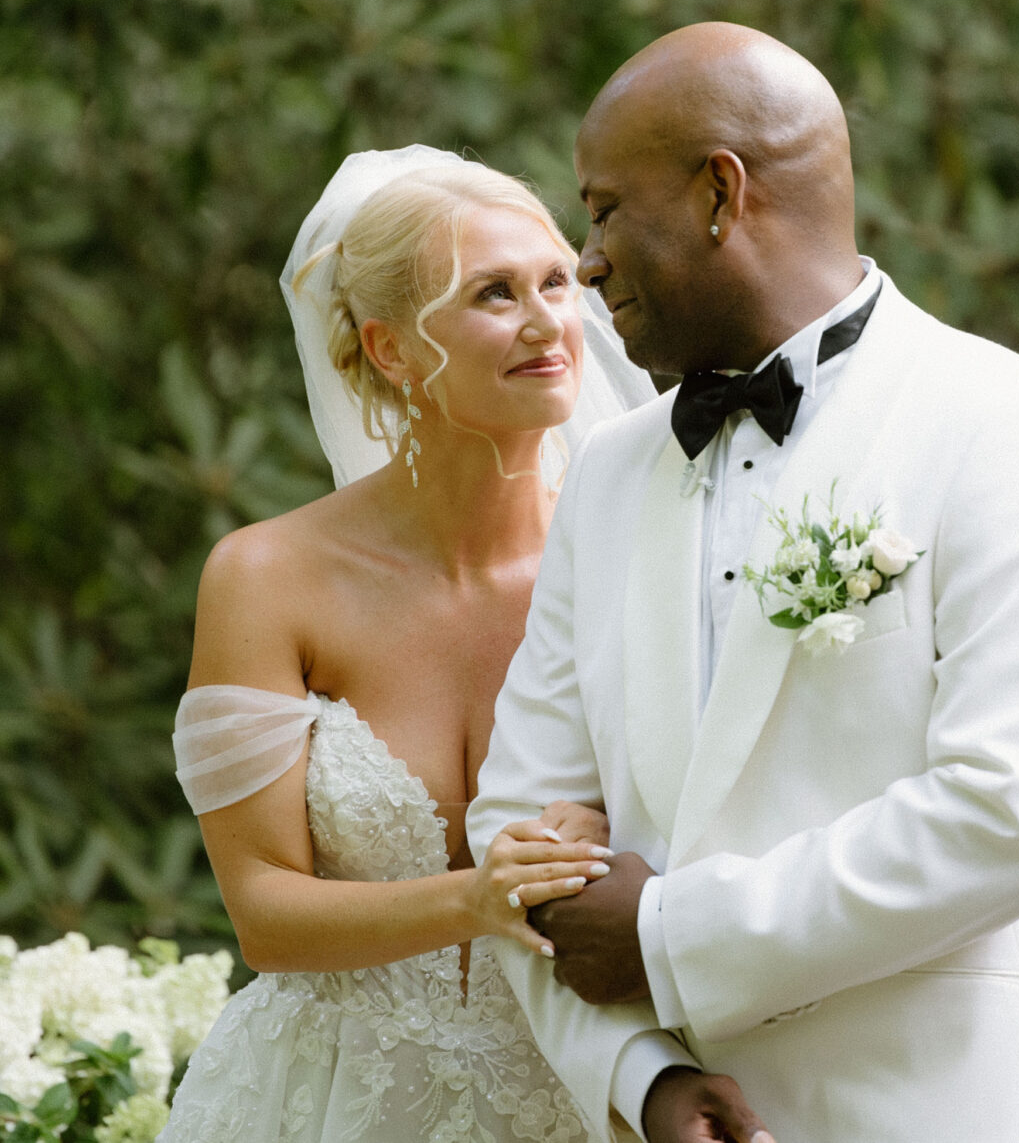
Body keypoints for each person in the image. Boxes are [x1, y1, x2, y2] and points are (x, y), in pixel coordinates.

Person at [468, 23, 1019, 1143]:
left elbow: (1017, 811)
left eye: (601, 210)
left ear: (719, 195)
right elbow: (519, 825)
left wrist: (670, 936)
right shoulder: (605, 473)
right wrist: (637, 1076)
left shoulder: (1006, 428)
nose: (584, 262)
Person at [160, 148, 654, 1143]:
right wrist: (472, 898)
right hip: (326, 1098)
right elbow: (261, 910)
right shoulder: (266, 577)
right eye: (492, 294)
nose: (547, 321)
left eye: (556, 281)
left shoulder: (638, 560)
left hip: (576, 1091)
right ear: (389, 350)